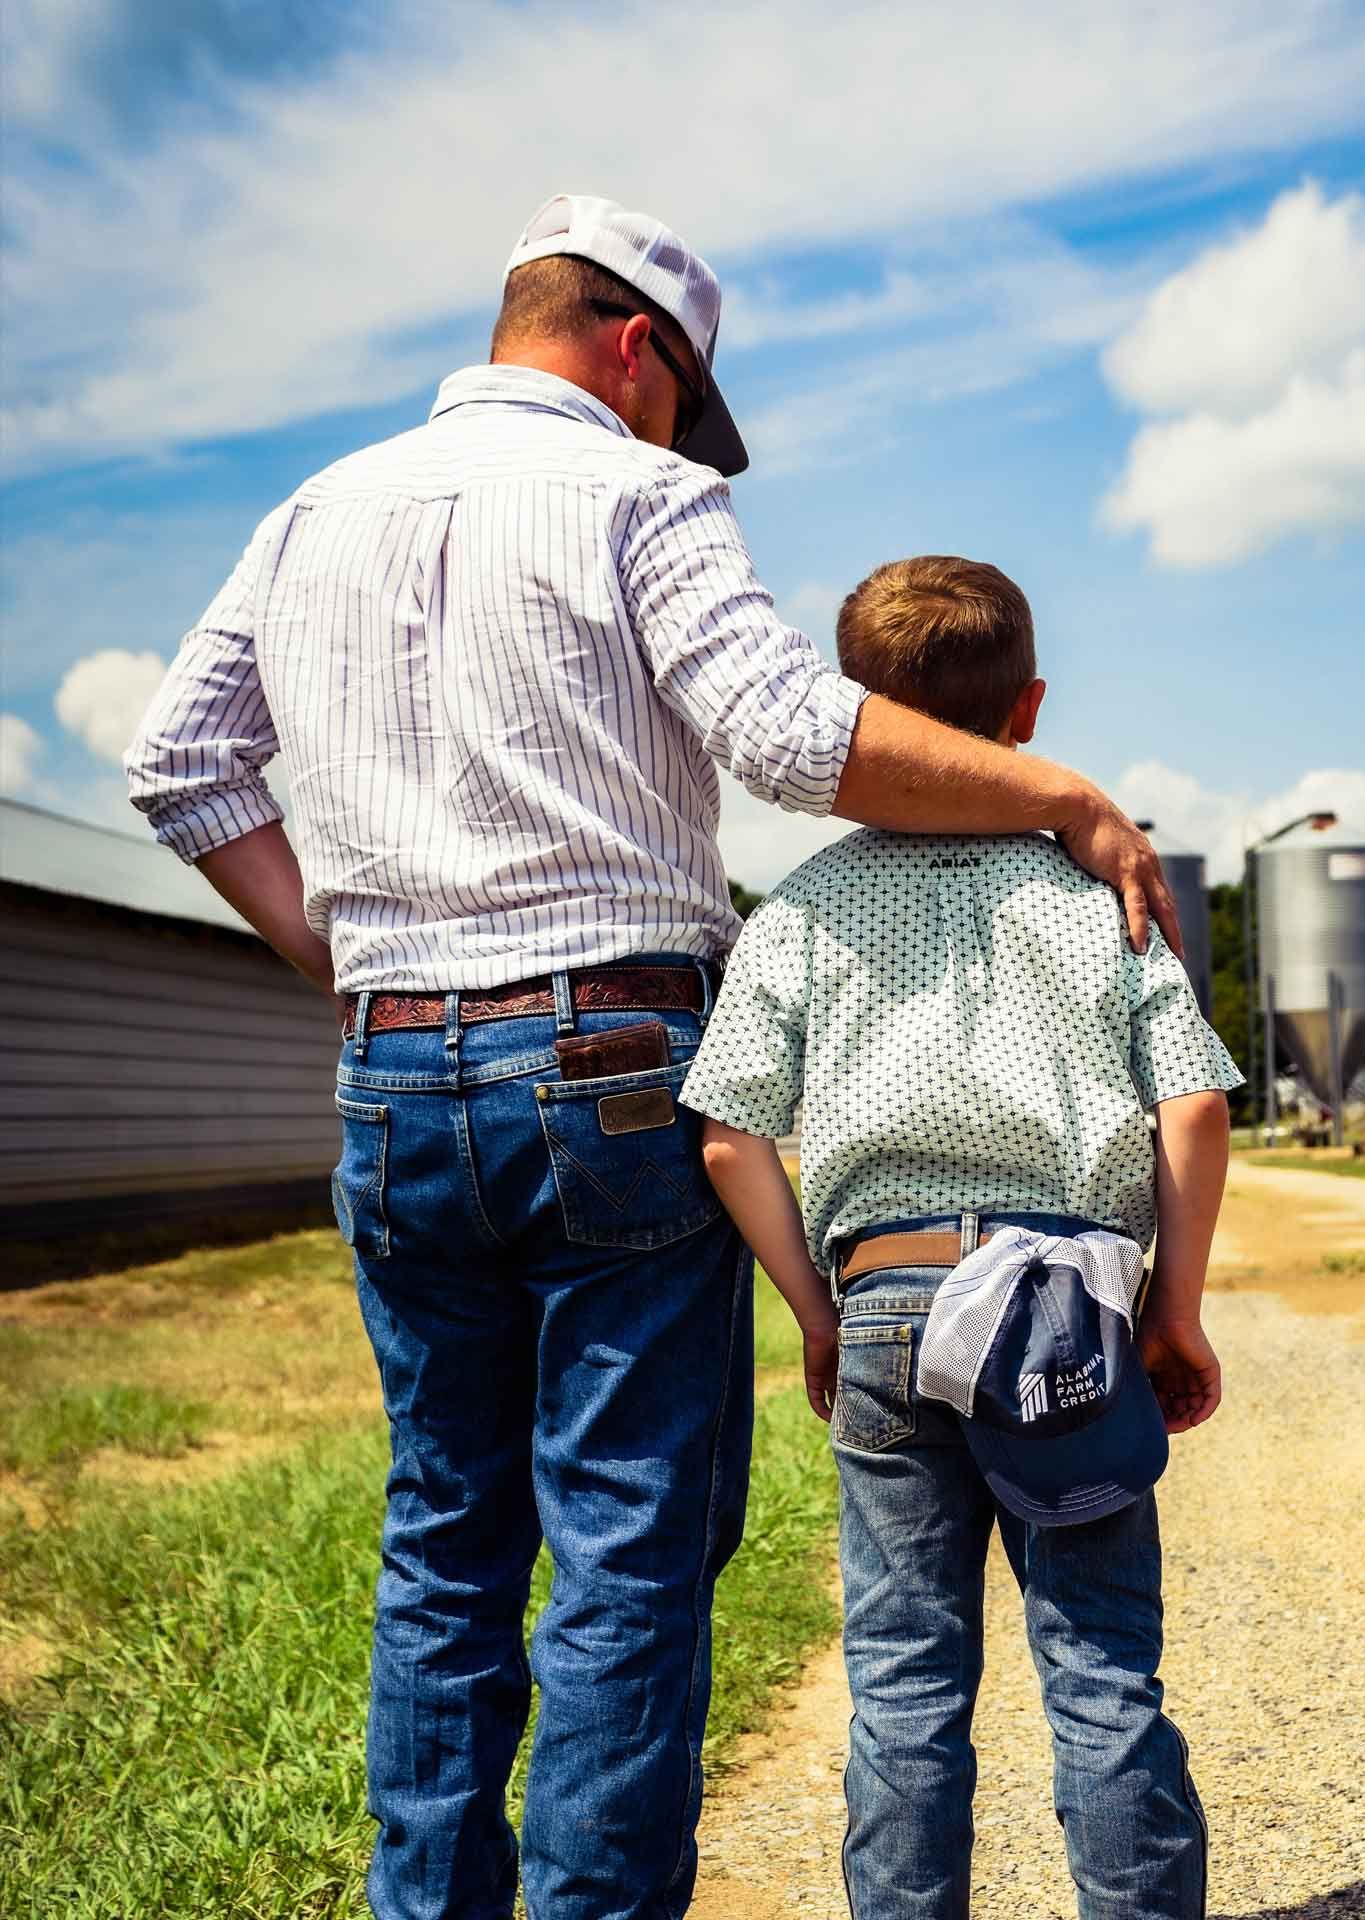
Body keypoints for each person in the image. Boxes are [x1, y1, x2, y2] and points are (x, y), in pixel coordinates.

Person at [124, 198, 1181, 1920]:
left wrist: (344, 955)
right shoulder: (642, 492)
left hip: (397, 1076)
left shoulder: (310, 511)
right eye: (686, 403)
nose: (685, 438)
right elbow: (778, 733)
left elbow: (182, 764)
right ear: (639, 351)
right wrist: (1063, 795)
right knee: (622, 1544)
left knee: (443, 1547)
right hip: (609, 1065)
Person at [682, 555, 1241, 1920]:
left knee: (905, 1681)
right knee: (1102, 1661)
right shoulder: (1101, 901)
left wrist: (820, 1316)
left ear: (858, 716)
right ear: (1027, 709)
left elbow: (728, 1137)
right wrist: (1173, 1308)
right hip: (1068, 1307)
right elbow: (1196, 1107)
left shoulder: (802, 909)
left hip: (886, 1299)